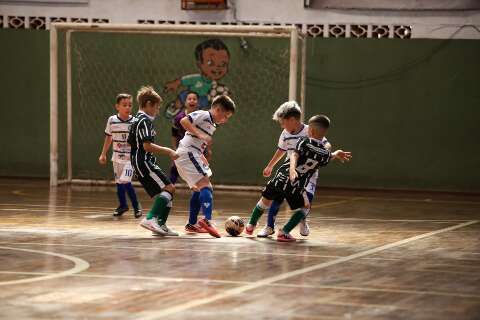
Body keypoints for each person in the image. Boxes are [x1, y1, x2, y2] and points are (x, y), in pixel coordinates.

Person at [245, 114, 352, 242]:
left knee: (265, 200)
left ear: (310, 130)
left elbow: (294, 155)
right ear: (324, 133)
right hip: (295, 185)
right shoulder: (324, 154)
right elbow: (328, 157)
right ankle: (284, 232)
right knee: (305, 207)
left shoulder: (304, 141)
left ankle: (251, 225)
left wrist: (291, 169)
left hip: (280, 177)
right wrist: (336, 153)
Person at [256, 101, 331, 238]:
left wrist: (324, 152)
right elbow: (281, 150)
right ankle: (269, 227)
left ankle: (301, 221)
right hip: (289, 171)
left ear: (292, 120)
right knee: (277, 197)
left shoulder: (310, 130)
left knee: (305, 203)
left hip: (308, 175)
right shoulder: (285, 133)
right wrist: (270, 166)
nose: (282, 126)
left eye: (282, 122)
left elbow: (326, 145)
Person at [174, 95, 236, 238]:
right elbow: (184, 121)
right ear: (218, 109)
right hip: (187, 154)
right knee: (206, 187)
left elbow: (195, 141)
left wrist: (201, 155)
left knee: (198, 189)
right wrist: (201, 136)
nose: (225, 120)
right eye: (225, 116)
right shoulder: (203, 114)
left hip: (191, 154)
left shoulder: (212, 125)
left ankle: (192, 224)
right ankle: (207, 220)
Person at [128, 86, 179, 236]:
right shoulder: (144, 121)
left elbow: (132, 143)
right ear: (149, 104)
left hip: (140, 162)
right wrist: (169, 151)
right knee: (169, 188)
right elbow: (147, 146)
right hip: (144, 162)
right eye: (156, 108)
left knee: (167, 190)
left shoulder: (135, 119)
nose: (157, 111)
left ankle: (160, 225)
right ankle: (151, 219)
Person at [99, 93, 142, 218]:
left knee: (126, 181)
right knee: (119, 183)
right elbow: (108, 137)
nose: (128, 107)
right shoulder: (112, 120)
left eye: (130, 105)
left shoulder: (135, 121)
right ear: (117, 106)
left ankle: (136, 206)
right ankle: (123, 205)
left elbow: (140, 141)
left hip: (130, 159)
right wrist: (103, 154)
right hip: (117, 158)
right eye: (124, 105)